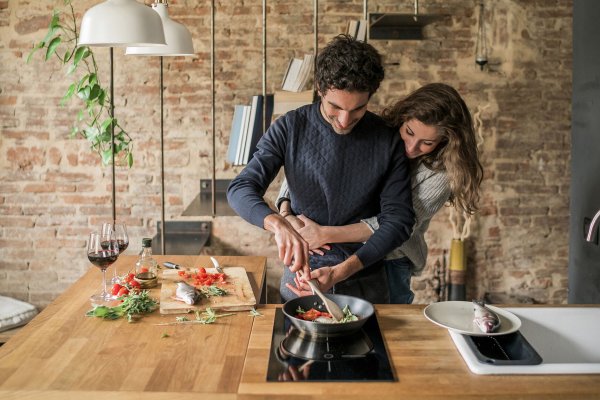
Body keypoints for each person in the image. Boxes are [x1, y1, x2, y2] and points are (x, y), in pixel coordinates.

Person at [227, 34, 415, 303]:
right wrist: (279, 224)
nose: (344, 120)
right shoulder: (290, 127)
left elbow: (399, 221)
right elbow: (240, 188)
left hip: (365, 272)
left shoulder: (387, 139)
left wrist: (341, 272)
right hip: (303, 274)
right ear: (319, 88)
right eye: (334, 107)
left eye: (358, 109)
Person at [279, 83, 484, 303]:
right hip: (334, 248)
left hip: (391, 260)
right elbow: (306, 169)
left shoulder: (441, 175)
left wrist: (324, 234)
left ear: (445, 142)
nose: (411, 147)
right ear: (402, 118)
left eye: (427, 143)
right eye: (409, 132)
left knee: (384, 329)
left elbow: (395, 225)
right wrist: (286, 214)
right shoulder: (376, 135)